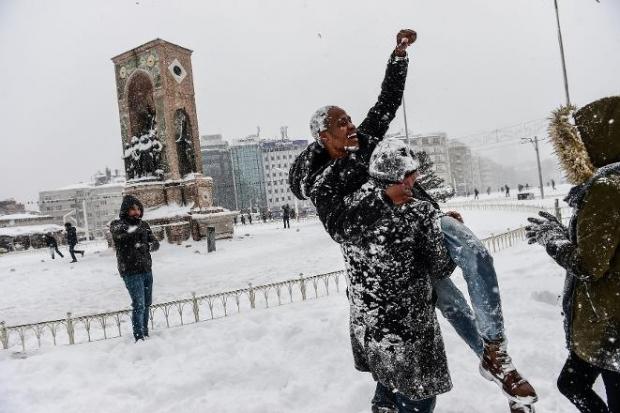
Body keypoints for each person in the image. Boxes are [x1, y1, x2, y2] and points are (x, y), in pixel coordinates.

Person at [289, 30, 536, 412]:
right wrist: (384, 199)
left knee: (466, 266)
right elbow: (340, 228)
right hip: (390, 261)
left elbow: (387, 103)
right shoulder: (324, 180)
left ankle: (494, 355)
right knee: (447, 296)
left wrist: (398, 57)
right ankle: (492, 359)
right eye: (342, 123)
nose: (352, 125)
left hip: (416, 228)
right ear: (324, 136)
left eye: (350, 119)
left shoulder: (364, 143)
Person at [526, 96, 620, 412]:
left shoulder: (608, 188)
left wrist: (553, 240)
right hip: (607, 320)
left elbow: (588, 265)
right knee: (572, 383)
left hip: (610, 325)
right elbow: (606, 247)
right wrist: (561, 233)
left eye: (583, 136)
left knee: (578, 386)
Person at [110, 195, 159, 342]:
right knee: (139, 304)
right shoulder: (117, 224)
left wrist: (148, 245)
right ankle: (139, 337)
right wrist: (138, 235)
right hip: (131, 271)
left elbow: (155, 243)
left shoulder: (144, 225)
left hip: (146, 269)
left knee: (147, 303)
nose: (136, 212)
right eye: (133, 209)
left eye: (138, 209)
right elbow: (123, 235)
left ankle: (145, 332)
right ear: (126, 210)